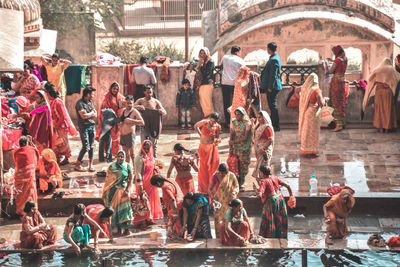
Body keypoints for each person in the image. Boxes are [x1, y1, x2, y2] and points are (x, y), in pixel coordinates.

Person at [254, 166, 293, 238]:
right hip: (280, 199)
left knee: (270, 221)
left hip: (272, 202)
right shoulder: (274, 177)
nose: (259, 174)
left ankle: (271, 238)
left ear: (262, 173)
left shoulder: (264, 181)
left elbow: (260, 195)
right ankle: (281, 236)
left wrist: (256, 190)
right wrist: (291, 197)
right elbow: (288, 186)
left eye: (260, 172)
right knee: (279, 219)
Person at [102, 151, 134, 236]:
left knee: (125, 209)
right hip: (112, 191)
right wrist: (105, 191)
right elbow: (108, 180)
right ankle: (119, 230)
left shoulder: (127, 166)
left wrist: (128, 190)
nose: (120, 158)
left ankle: (126, 229)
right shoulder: (112, 167)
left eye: (122, 157)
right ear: (116, 157)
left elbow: (131, 179)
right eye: (119, 156)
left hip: (123, 191)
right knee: (115, 211)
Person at [363, 58, 399, 132]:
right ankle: (387, 128)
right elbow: (396, 81)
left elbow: (370, 80)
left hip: (379, 91)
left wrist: (368, 95)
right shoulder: (391, 69)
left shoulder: (377, 69)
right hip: (388, 92)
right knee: (388, 109)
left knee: (379, 109)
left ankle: (380, 128)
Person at [46, 83, 77, 165]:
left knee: (64, 142)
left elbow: (63, 116)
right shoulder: (53, 102)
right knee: (57, 143)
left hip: (61, 126)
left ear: (51, 95)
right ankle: (58, 158)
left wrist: (57, 125)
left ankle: (66, 158)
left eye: (48, 95)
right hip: (56, 125)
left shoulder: (58, 102)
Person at [134, 140, 163, 227]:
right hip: (143, 183)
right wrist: (140, 185)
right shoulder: (139, 158)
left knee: (150, 201)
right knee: (143, 201)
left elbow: (152, 167)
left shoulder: (151, 158)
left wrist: (156, 169)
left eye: (148, 148)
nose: (146, 150)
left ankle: (149, 218)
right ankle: (142, 220)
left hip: (151, 183)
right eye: (144, 148)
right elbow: (138, 172)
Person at [299, 73, 327, 156]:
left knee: (307, 132)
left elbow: (297, 91)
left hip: (307, 112)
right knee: (313, 133)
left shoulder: (306, 89)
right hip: (314, 113)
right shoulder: (316, 90)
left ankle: (305, 150)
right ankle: (312, 151)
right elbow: (321, 104)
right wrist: (325, 99)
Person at [134, 85, 167, 157]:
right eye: (148, 92)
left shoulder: (155, 101)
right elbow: (132, 106)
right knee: (143, 144)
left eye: (151, 92)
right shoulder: (140, 100)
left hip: (153, 126)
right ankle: (143, 159)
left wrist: (161, 111)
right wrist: (139, 106)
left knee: (153, 144)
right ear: (144, 92)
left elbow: (164, 112)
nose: (149, 94)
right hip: (144, 125)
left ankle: (153, 160)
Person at [194, 112, 221, 194]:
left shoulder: (218, 127)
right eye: (212, 120)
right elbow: (195, 126)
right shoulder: (204, 122)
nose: (213, 122)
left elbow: (217, 137)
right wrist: (200, 134)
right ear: (209, 119)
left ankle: (211, 186)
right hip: (203, 148)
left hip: (211, 148)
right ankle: (203, 188)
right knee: (203, 168)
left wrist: (217, 141)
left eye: (214, 121)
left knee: (212, 167)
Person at [208, 163, 239, 237]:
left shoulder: (231, 175)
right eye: (222, 173)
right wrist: (212, 197)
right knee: (219, 220)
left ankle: (230, 236)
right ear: (219, 171)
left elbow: (236, 186)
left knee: (229, 219)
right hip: (219, 202)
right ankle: (221, 237)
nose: (223, 175)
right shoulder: (215, 176)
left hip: (229, 202)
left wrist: (234, 192)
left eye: (225, 173)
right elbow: (209, 189)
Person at [97, 82, 124, 162]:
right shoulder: (106, 97)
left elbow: (121, 107)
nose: (115, 90)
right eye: (114, 89)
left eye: (117, 89)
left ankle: (113, 154)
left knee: (115, 138)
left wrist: (118, 116)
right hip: (106, 121)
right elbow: (102, 109)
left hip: (115, 121)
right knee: (105, 139)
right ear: (110, 89)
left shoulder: (120, 98)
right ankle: (105, 155)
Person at [13, 136, 39, 215]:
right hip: (30, 175)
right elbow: (37, 158)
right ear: (27, 143)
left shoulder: (16, 152)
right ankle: (32, 210)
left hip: (21, 176)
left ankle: (21, 211)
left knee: (21, 192)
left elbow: (17, 163)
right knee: (31, 191)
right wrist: (32, 143)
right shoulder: (32, 149)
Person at [220, 46, 245, 127]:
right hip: (235, 84)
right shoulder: (240, 60)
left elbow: (221, 66)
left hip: (225, 83)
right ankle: (236, 121)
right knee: (236, 103)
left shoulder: (224, 57)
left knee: (226, 103)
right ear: (237, 52)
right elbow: (244, 71)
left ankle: (228, 122)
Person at [260, 42, 282, 131]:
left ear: (269, 49)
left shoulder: (274, 60)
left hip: (272, 87)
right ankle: (274, 124)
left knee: (272, 106)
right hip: (271, 86)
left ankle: (276, 125)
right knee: (272, 106)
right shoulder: (274, 58)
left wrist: (270, 87)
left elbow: (274, 75)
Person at [75, 85, 97, 172]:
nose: (93, 96)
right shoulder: (79, 103)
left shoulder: (90, 102)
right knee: (85, 146)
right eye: (92, 94)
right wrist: (91, 113)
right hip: (83, 127)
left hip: (92, 126)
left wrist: (90, 114)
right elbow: (83, 116)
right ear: (88, 94)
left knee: (91, 146)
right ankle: (78, 164)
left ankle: (90, 164)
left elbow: (96, 113)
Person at [229, 107, 252, 190]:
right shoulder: (234, 122)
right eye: (236, 114)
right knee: (236, 164)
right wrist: (230, 145)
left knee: (243, 165)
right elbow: (232, 133)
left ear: (243, 114)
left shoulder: (247, 123)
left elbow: (246, 137)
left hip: (244, 147)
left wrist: (234, 142)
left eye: (239, 114)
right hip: (236, 147)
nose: (237, 116)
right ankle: (236, 182)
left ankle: (241, 183)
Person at [120, 95, 145, 163]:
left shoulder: (134, 111)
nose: (129, 105)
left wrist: (132, 121)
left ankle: (134, 169)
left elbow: (142, 122)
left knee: (132, 154)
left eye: (131, 103)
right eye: (127, 103)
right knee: (125, 154)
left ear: (133, 103)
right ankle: (127, 169)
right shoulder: (123, 111)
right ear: (125, 103)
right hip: (122, 135)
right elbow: (120, 120)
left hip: (130, 135)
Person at [329, 45, 348, 132]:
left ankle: (339, 125)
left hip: (336, 81)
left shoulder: (337, 60)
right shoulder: (345, 59)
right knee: (341, 101)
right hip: (343, 80)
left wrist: (329, 65)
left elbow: (331, 71)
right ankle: (343, 123)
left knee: (336, 101)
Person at [252, 111, 274, 178]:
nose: (259, 119)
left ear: (264, 117)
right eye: (258, 117)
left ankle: (265, 184)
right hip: (258, 148)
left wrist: (263, 149)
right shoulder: (259, 125)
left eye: (261, 117)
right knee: (259, 166)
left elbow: (270, 140)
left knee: (263, 168)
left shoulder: (267, 127)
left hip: (264, 150)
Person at [197, 47, 215, 117]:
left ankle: (210, 117)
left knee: (207, 101)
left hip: (207, 83)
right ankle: (206, 116)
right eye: (201, 53)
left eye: (204, 53)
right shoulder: (202, 61)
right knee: (202, 101)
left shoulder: (210, 61)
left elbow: (207, 73)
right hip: (202, 83)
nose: (202, 55)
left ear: (207, 53)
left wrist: (201, 65)